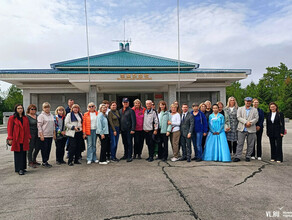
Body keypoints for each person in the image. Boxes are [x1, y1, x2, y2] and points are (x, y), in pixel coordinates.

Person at [7, 104, 31, 175]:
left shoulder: (25, 118)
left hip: (24, 138)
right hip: (16, 138)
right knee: (18, 153)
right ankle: (19, 169)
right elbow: (9, 129)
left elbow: (27, 129)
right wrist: (10, 138)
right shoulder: (12, 118)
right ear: (16, 109)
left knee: (24, 153)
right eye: (18, 108)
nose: (20, 109)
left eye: (21, 108)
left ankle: (23, 167)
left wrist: (29, 137)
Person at [233, 97, 259, 162]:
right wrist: (245, 122)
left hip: (251, 129)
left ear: (251, 102)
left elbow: (256, 118)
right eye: (247, 101)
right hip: (242, 129)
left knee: (250, 144)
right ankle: (238, 156)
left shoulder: (255, 110)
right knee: (240, 143)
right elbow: (238, 117)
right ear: (244, 101)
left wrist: (250, 123)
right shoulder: (240, 109)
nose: (248, 102)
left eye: (249, 101)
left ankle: (248, 156)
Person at [37, 102, 56, 168]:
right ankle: (44, 161)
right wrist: (41, 135)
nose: (47, 109)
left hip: (50, 135)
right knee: (44, 149)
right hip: (44, 135)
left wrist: (54, 133)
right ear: (43, 108)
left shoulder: (51, 115)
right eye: (45, 107)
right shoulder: (41, 116)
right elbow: (39, 126)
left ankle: (46, 160)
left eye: (48, 107)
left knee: (48, 149)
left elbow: (53, 125)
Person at [119, 98, 136, 162]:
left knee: (129, 143)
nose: (125, 103)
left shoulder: (131, 110)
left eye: (126, 102)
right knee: (124, 143)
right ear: (122, 103)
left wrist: (133, 129)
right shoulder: (120, 110)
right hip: (123, 130)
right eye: (124, 102)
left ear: (128, 103)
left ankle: (129, 156)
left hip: (129, 130)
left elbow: (133, 121)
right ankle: (125, 155)